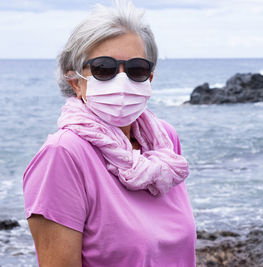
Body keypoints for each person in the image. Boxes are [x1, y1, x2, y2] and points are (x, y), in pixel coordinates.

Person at [22, 1, 196, 266]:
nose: (122, 80)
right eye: (104, 69)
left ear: (150, 78)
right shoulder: (63, 155)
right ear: (76, 82)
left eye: (137, 69)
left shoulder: (165, 142)